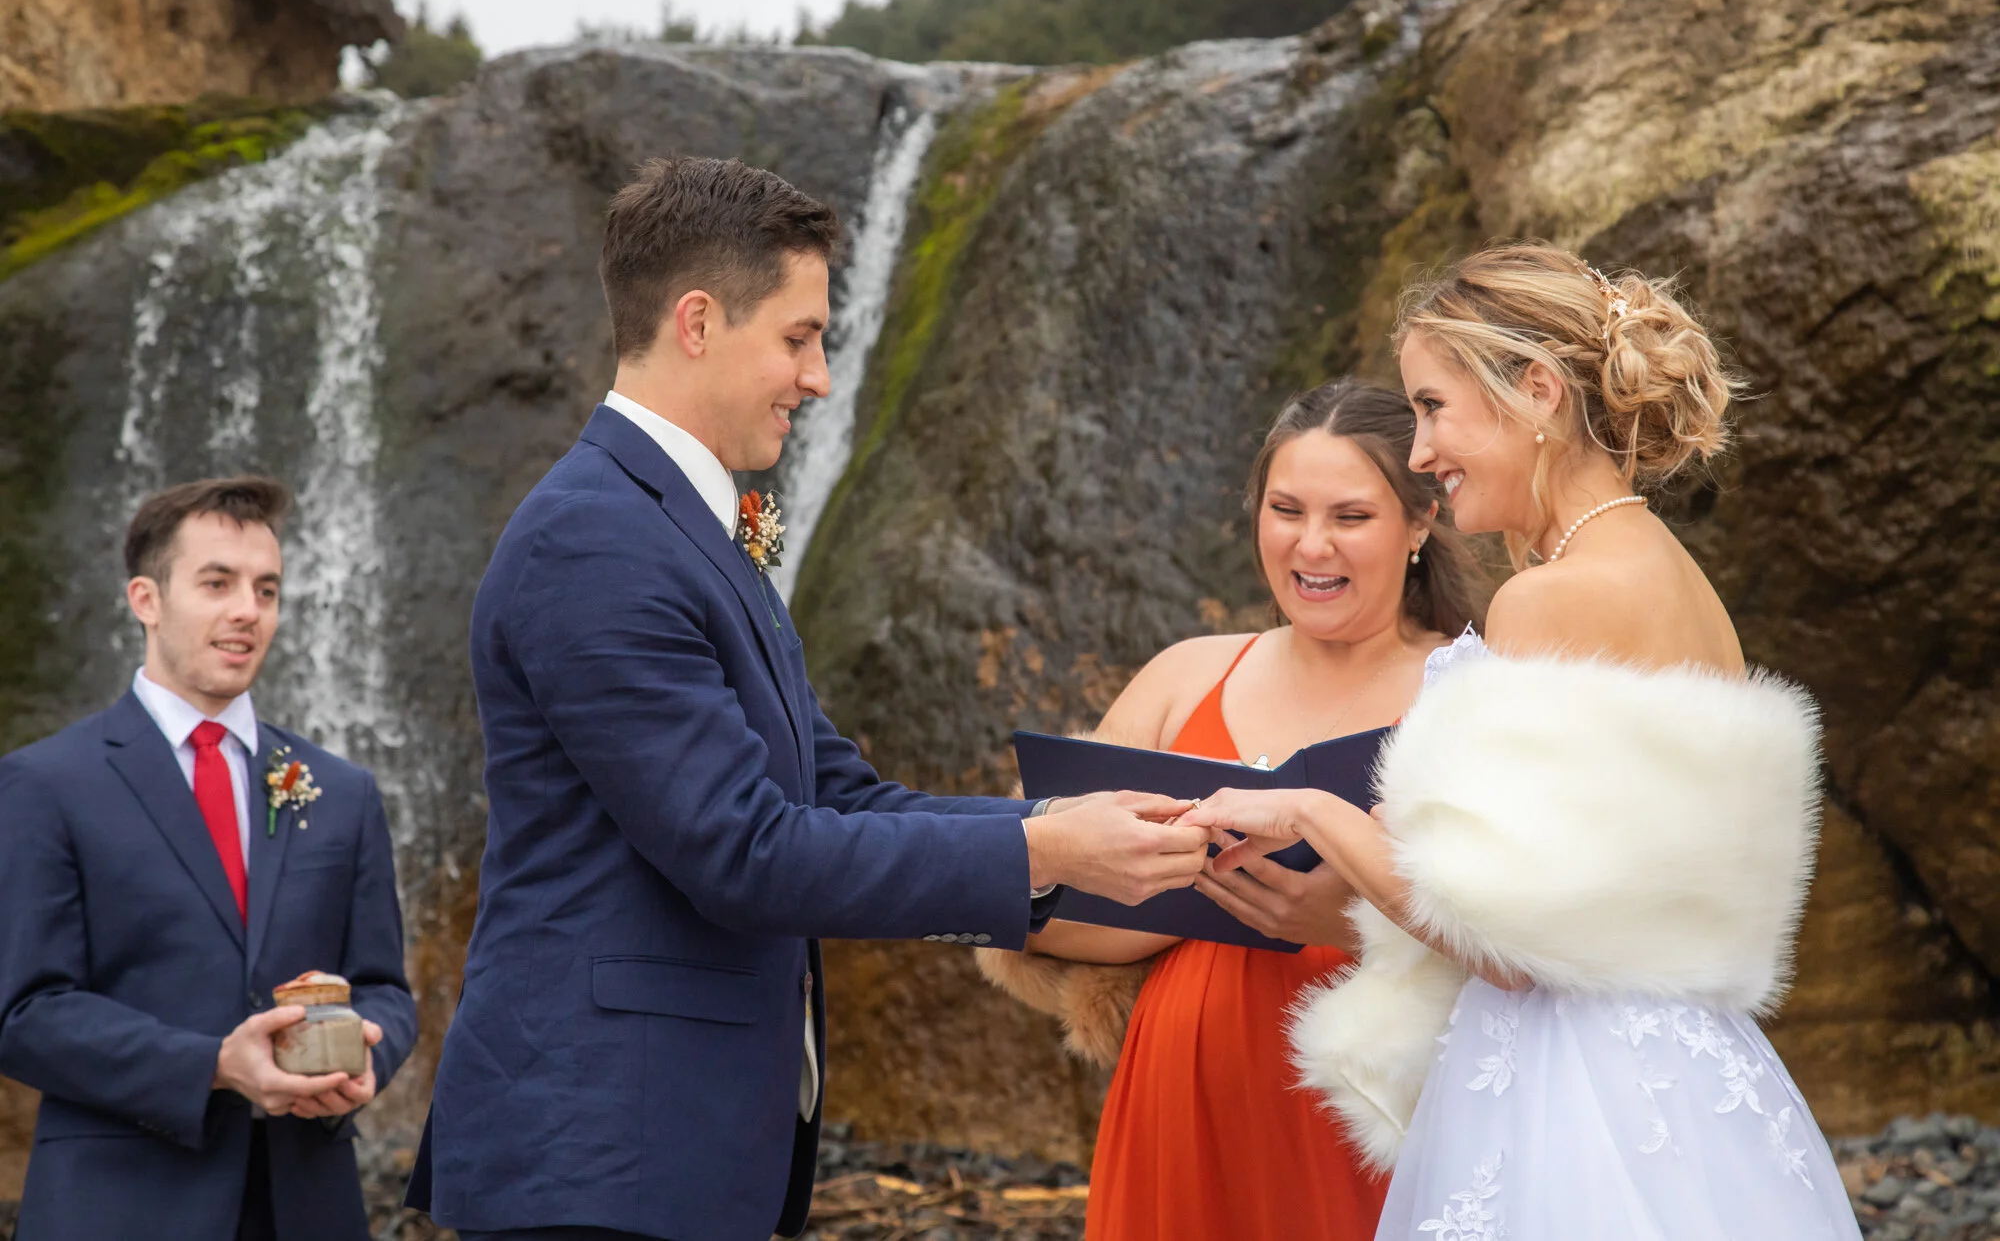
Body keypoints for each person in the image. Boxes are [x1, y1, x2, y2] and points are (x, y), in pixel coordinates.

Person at [405, 156, 1210, 1241]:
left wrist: (1050, 826)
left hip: (662, 1155)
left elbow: (838, 795)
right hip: (601, 1161)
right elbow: (744, 853)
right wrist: (1050, 858)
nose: (819, 376)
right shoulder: (594, 538)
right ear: (696, 322)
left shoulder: (682, 532)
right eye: (797, 336)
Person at [1178, 243, 1861, 1240]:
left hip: (1570, 1092)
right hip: (1687, 1074)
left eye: (1431, 408)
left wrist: (1307, 810)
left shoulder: (1552, 598)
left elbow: (1502, 942)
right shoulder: (1673, 577)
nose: (1418, 453)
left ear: (1536, 391)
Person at [993, 379, 1487, 1241]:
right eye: (1285, 508)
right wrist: (1182, 881)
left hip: (1371, 1122)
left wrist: (1352, 920)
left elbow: (1536, 945)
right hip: (1178, 1102)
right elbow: (1043, 911)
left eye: (1351, 517)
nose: (1311, 544)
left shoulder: (1475, 690)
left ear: (1420, 523)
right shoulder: (1185, 675)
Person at [0, 476, 418, 1241]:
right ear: (145, 598)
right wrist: (215, 1065)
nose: (246, 611)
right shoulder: (44, 783)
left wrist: (367, 1054)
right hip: (121, 1208)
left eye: (266, 588)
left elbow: (386, 988)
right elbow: (24, 1013)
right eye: (217, 583)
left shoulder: (343, 790)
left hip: (307, 1206)